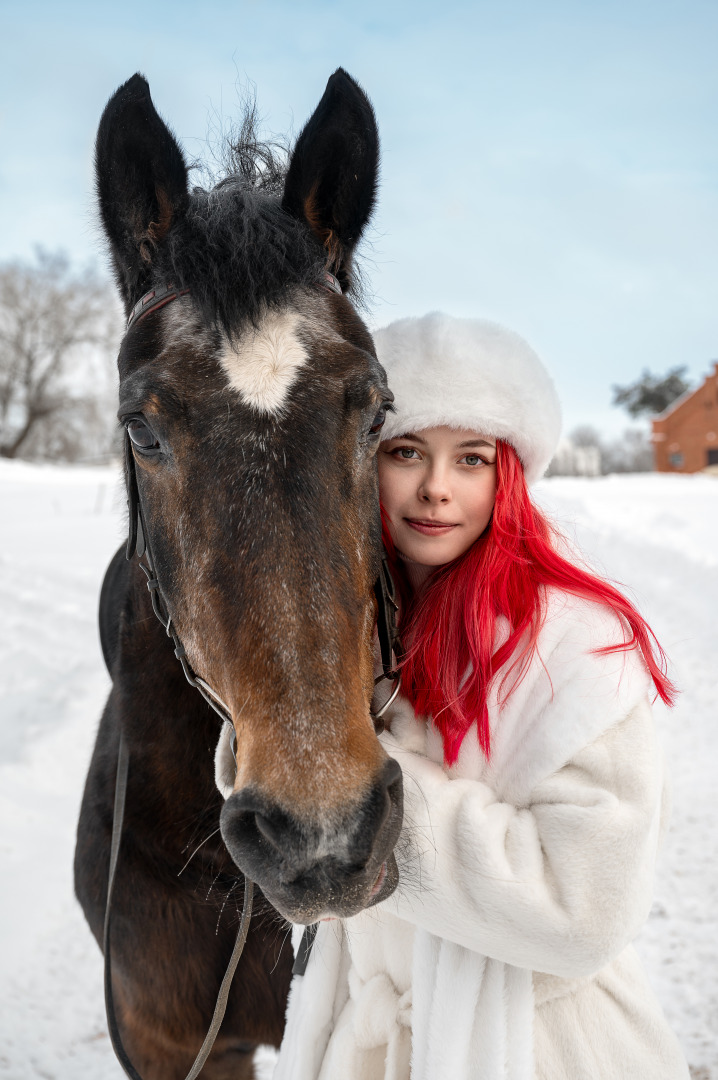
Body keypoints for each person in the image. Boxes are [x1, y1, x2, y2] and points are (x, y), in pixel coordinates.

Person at [267, 313, 689, 1080]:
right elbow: (284, 827)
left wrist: (366, 786)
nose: (436, 488)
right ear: (362, 463)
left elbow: (583, 910)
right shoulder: (349, 632)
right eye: (406, 453)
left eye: (471, 458)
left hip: (541, 1051)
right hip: (366, 1042)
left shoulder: (577, 648)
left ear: (510, 475)